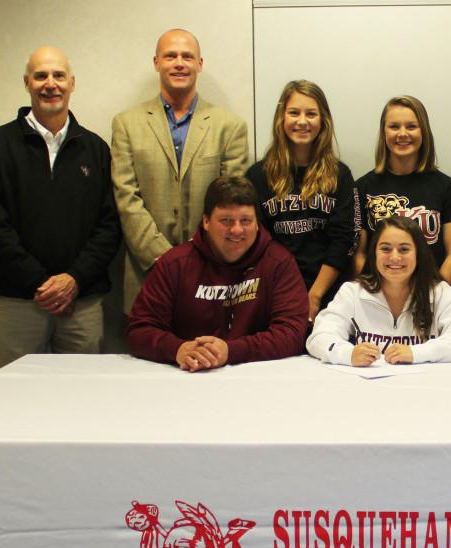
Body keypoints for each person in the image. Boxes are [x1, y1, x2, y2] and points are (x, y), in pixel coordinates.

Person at [0, 46, 121, 371]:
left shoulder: (95, 149)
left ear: (72, 83)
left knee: (82, 399)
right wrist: (39, 283)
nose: (50, 83)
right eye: (41, 76)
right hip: (18, 300)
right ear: (27, 82)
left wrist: (73, 279)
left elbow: (109, 225)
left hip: (81, 301)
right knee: (15, 400)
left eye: (58, 75)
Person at [112, 28, 249, 313]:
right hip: (146, 274)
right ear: (156, 62)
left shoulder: (229, 126)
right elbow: (127, 199)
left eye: (187, 56)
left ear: (199, 64)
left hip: (211, 274)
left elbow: (230, 201)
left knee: (209, 354)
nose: (179, 63)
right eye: (170, 55)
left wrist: (197, 255)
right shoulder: (127, 124)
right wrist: (162, 258)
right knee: (148, 354)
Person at [127, 176, 308, 370]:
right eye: (226, 221)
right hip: (187, 376)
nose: (237, 230)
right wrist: (178, 349)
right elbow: (138, 330)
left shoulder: (279, 263)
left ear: (257, 223)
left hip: (255, 377)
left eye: (246, 220)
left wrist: (231, 351)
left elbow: (292, 333)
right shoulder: (174, 264)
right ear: (206, 221)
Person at [245, 80, 355, 323]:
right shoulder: (258, 176)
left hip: (329, 293)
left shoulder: (340, 175)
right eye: (294, 112)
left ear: (323, 120)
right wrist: (290, 293)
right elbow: (258, 242)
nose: (302, 121)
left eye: (311, 114)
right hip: (276, 289)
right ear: (281, 118)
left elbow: (343, 241)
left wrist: (314, 295)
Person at [307, 216, 451, 366]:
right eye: (385, 248)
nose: (395, 257)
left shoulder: (440, 292)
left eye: (404, 249)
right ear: (374, 253)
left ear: (418, 254)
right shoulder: (352, 292)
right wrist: (348, 354)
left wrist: (416, 353)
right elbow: (319, 337)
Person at [353, 95, 451, 286]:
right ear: (384, 133)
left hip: (431, 296)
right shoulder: (363, 187)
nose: (402, 133)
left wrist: (435, 296)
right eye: (394, 126)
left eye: (411, 126)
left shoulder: (445, 187)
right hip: (378, 296)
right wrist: (375, 294)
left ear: (424, 131)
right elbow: (359, 255)